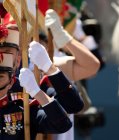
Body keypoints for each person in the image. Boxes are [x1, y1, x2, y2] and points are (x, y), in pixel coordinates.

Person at [0, 11, 85, 139]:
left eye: (6, 52)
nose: (1, 57)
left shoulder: (29, 89)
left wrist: (49, 68)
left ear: (18, 60)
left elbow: (74, 105)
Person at [34, 9, 100, 140]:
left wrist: (63, 37)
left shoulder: (52, 64)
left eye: (42, 42)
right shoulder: (8, 70)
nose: (36, 46)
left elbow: (92, 66)